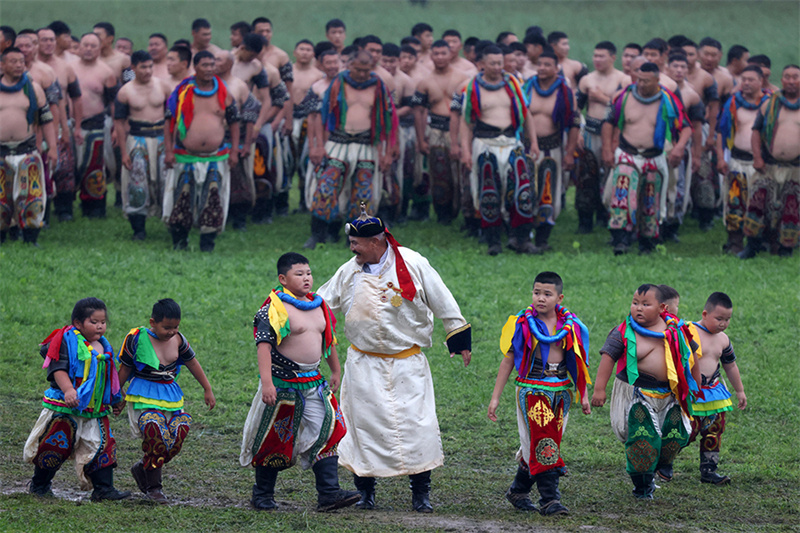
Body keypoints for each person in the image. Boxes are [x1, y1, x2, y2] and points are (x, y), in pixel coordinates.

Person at [317, 208, 472, 512]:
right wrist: (292, 314)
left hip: (407, 363)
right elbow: (321, 302)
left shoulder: (413, 264)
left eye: (356, 243)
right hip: (363, 364)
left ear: (375, 242)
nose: (352, 248)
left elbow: (443, 299)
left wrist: (458, 336)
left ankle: (421, 494)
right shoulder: (350, 270)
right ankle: (365, 492)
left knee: (417, 426)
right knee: (361, 429)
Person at [240, 252, 359, 512]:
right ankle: (262, 495)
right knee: (274, 438)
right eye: (299, 274)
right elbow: (263, 346)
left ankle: (329, 495)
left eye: (308, 273)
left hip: (314, 383)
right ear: (283, 278)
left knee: (328, 431)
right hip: (282, 385)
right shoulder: (273, 309)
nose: (306, 278)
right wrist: (267, 383)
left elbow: (328, 341)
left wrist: (336, 370)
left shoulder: (320, 305)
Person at [488, 271, 591, 515]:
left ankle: (518, 490)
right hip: (532, 388)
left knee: (544, 442)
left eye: (547, 294)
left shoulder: (571, 326)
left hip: (561, 391)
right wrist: (495, 398)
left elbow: (578, 362)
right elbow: (508, 361)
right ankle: (550, 500)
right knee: (545, 441)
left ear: (560, 297)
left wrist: (583, 395)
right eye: (536, 293)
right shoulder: (523, 324)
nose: (540, 298)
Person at [591, 284, 699, 500]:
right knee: (642, 440)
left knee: (675, 438)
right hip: (637, 394)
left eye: (645, 304)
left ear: (661, 307)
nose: (638, 308)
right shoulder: (623, 331)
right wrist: (599, 389)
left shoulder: (678, 330)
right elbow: (607, 358)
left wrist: (696, 386)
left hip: (671, 395)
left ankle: (659, 465)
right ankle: (642, 485)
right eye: (635, 303)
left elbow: (692, 356)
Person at [23, 297, 130, 501]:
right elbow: (58, 369)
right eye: (94, 322)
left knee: (101, 446)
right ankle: (40, 485)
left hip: (94, 409)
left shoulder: (103, 347)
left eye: (103, 322)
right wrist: (68, 390)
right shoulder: (66, 341)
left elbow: (108, 378)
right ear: (78, 323)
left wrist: (115, 398)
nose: (100, 326)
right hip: (65, 407)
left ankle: (103, 489)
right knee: (55, 444)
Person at [117, 298, 215, 503]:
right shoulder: (136, 338)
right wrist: (116, 395)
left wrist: (207, 388)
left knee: (179, 431)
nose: (172, 331)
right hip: (142, 396)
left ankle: (143, 466)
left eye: (176, 326)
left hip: (170, 396)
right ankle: (154, 488)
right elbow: (125, 368)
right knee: (154, 431)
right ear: (153, 322)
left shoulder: (179, 340)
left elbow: (192, 363)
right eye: (166, 327)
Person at [304, 51, 397, 249]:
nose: (362, 74)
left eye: (366, 70)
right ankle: (318, 234)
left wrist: (388, 151)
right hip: (338, 143)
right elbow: (323, 116)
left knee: (363, 194)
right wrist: (318, 146)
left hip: (366, 145)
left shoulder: (378, 86)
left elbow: (388, 120)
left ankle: (357, 238)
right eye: (358, 69)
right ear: (349, 66)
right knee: (326, 187)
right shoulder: (338, 83)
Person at [601, 62, 691, 254]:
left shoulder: (669, 100)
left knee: (651, 201)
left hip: (654, 157)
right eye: (639, 79)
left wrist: (679, 147)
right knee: (622, 198)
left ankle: (647, 244)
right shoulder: (624, 97)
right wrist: (607, 150)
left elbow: (685, 127)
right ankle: (621, 241)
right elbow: (608, 122)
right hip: (627, 154)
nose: (641, 84)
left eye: (646, 81)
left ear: (657, 80)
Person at [460, 45, 539, 255]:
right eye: (492, 63)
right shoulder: (472, 88)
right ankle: (493, 240)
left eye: (500, 63)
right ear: (482, 64)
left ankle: (521, 238)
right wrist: (466, 151)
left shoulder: (513, 84)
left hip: (513, 143)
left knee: (522, 190)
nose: (497, 67)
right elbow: (467, 122)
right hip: (485, 145)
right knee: (489, 193)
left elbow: (526, 112)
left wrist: (534, 142)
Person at [163, 51, 240, 252]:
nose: (209, 69)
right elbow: (169, 121)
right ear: (195, 67)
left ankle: (208, 244)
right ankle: (179, 242)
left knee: (213, 199)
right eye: (204, 65)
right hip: (184, 155)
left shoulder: (224, 92)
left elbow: (234, 122)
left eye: (212, 65)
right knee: (182, 198)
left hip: (216, 156)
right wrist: (169, 150)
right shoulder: (181, 91)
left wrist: (234, 151)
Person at [672, 292, 746, 485]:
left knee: (714, 429)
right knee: (687, 430)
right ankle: (663, 462)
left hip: (714, 392)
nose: (723, 323)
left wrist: (739, 390)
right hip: (691, 392)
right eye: (719, 318)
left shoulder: (723, 339)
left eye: (727, 319)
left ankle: (709, 470)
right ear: (705, 314)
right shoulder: (688, 332)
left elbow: (730, 365)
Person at [740, 64, 800, 258]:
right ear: (781, 80)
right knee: (757, 204)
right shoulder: (770, 103)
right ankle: (752, 245)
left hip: (796, 168)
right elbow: (756, 131)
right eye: (787, 77)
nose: (791, 81)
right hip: (768, 165)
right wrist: (757, 157)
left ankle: (786, 248)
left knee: (792, 207)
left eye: (795, 77)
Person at [524, 49, 581, 251]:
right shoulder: (527, 87)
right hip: (527, 149)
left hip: (552, 150)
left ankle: (542, 238)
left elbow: (574, 123)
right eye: (539, 64)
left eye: (547, 65)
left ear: (557, 68)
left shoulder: (565, 92)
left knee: (548, 194)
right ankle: (523, 236)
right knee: (525, 191)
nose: (542, 68)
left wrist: (569, 152)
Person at [0, 46, 56, 245]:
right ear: (2, 64)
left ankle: (31, 238)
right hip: (1, 152)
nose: (18, 65)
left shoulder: (34, 88)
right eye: (13, 61)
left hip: (27, 151)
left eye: (21, 62)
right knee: (1, 199)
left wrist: (53, 147)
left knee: (31, 195)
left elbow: (47, 119)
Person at [114, 50, 172, 240]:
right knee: (137, 183)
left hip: (162, 138)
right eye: (143, 67)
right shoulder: (125, 91)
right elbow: (119, 124)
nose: (147, 71)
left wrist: (173, 144)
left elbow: (172, 117)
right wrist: (123, 152)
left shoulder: (163, 86)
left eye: (150, 66)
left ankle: (173, 224)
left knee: (167, 181)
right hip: (137, 138)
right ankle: (139, 229)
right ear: (133, 68)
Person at [576, 42, 631, 233]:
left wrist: (602, 99)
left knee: (611, 177)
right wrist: (579, 133)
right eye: (595, 56)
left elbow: (622, 110)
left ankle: (607, 216)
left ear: (613, 57)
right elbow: (577, 110)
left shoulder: (624, 81)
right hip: (590, 132)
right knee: (586, 176)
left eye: (602, 56)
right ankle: (585, 221)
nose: (597, 60)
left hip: (614, 135)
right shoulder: (586, 80)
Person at [413, 40, 469, 225]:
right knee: (439, 173)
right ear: (431, 56)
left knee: (462, 173)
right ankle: (443, 215)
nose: (440, 57)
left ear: (451, 54)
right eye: (436, 54)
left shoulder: (463, 78)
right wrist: (421, 139)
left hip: (459, 129)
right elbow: (419, 111)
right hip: (436, 130)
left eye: (443, 53)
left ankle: (466, 213)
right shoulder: (424, 82)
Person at [715, 65, 768, 254]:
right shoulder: (732, 103)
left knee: (761, 203)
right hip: (736, 160)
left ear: (761, 81)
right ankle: (735, 242)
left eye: (750, 79)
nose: (745, 83)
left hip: (761, 164)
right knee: (734, 202)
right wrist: (721, 158)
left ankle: (759, 242)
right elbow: (721, 133)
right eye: (743, 79)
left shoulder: (770, 104)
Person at [72, 32, 117, 218]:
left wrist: (114, 127)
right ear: (79, 47)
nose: (89, 49)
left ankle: (95, 208)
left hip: (96, 125)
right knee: (69, 167)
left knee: (95, 167)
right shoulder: (69, 68)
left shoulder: (107, 71)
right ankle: (64, 207)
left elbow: (113, 103)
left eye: (93, 46)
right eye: (85, 45)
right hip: (71, 124)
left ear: (100, 49)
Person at [663, 53, 704, 242]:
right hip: (657, 145)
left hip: (679, 146)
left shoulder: (692, 95)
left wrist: (696, 154)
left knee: (677, 189)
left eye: (683, 67)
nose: (679, 71)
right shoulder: (657, 90)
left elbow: (695, 127)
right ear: (667, 68)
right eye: (675, 67)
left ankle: (672, 228)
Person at [380, 42, 415, 224]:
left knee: (397, 171)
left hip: (397, 130)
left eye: (393, 61)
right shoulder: (376, 78)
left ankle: (394, 211)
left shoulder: (406, 81)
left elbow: (411, 106)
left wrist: (391, 114)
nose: (389, 65)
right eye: (385, 61)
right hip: (377, 131)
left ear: (399, 61)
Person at [288, 39, 324, 213]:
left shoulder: (318, 76)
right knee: (287, 161)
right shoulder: (287, 72)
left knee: (304, 161)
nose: (304, 52)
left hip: (308, 120)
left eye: (308, 49)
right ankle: (281, 202)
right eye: (301, 49)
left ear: (313, 54)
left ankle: (304, 200)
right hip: (288, 119)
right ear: (294, 52)